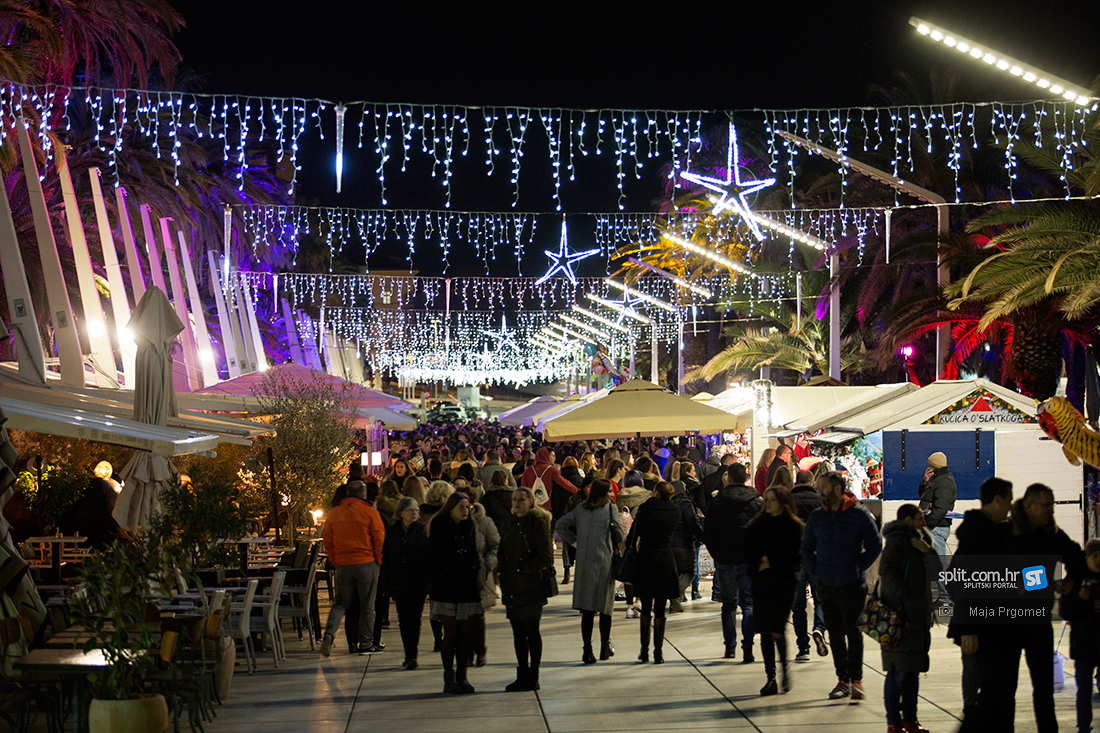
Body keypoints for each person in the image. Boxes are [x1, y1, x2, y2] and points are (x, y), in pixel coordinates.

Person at [1002, 483, 1084, 733]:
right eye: (1045, 505)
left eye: (1052, 505)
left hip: (1038, 618)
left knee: (1044, 687)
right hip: (1007, 620)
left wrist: (1072, 581)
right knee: (1005, 688)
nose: (1050, 509)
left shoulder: (1052, 534)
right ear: (1029, 505)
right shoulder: (1006, 532)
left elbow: (1077, 557)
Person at [801, 471, 882, 700]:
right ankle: (843, 679)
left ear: (838, 489)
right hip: (826, 584)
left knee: (854, 633)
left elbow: (875, 544)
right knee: (835, 635)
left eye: (824, 487)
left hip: (853, 585)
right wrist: (815, 569)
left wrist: (859, 566)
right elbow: (806, 547)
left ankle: (856, 679)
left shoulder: (858, 514)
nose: (820, 491)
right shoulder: (817, 516)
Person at [948, 477, 1013, 731]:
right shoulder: (978, 534)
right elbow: (960, 581)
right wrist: (968, 628)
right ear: (997, 500)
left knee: (986, 685)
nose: (1010, 506)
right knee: (983, 685)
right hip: (979, 627)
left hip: (990, 625)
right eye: (1008, 499)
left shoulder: (991, 531)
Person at [555, 478, 625, 664]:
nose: (612, 494)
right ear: (603, 493)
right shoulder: (610, 509)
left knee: (587, 609)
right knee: (605, 607)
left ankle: (587, 650)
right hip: (604, 562)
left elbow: (560, 524)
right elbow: (619, 536)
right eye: (609, 491)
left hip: (584, 562)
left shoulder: (580, 509)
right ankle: (604, 647)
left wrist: (575, 541)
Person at [879, 504, 935, 733]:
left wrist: (928, 552)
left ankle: (910, 720)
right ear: (909, 520)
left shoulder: (921, 542)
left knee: (912, 671)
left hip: (917, 617)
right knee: (898, 671)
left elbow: (937, 572)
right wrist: (904, 597)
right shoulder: (897, 542)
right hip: (900, 617)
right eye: (920, 517)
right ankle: (894, 722)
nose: (924, 521)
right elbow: (886, 570)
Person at [745, 486, 804, 695]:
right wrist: (763, 562)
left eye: (772, 500)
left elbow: (793, 557)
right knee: (765, 630)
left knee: (777, 628)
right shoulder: (757, 525)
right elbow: (750, 552)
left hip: (784, 583)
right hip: (762, 583)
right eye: (766, 500)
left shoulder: (794, 527)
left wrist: (768, 561)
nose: (768, 504)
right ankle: (770, 677)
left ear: (783, 502)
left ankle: (784, 671)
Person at [704, 463, 763, 661]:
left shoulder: (717, 502)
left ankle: (730, 647)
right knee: (748, 604)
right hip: (749, 559)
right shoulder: (756, 502)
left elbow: (708, 532)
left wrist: (716, 554)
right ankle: (748, 647)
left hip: (726, 559)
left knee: (729, 605)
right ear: (746, 478)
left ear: (729, 478)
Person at [320, 481, 386, 657]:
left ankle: (329, 633)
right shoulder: (370, 512)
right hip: (366, 562)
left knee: (340, 603)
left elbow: (327, 539)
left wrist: (335, 560)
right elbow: (379, 536)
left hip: (343, 563)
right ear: (364, 494)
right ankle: (365, 643)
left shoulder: (335, 513)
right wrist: (378, 560)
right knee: (367, 606)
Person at [498, 487, 554, 692]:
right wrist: (503, 572)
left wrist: (525, 570)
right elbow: (502, 550)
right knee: (518, 632)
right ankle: (522, 673)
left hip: (531, 585)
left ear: (530, 501)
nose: (516, 503)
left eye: (521, 499)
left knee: (531, 630)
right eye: (514, 499)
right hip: (512, 584)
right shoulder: (509, 523)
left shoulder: (537, 522)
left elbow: (545, 555)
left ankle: (533, 675)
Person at [426, 492, 481, 694]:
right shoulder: (439, 525)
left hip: (466, 586)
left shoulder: (469, 526)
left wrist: (475, 570)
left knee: (465, 634)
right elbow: (432, 555)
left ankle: (462, 675)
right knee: (450, 633)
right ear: (451, 508)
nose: (466, 511)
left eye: (468, 507)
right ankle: (448, 677)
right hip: (445, 587)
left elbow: (473, 552)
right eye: (461, 507)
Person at [631, 481, 681, 663]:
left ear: (657, 493)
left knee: (646, 606)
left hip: (646, 558)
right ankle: (658, 652)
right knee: (660, 607)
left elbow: (633, 535)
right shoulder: (675, 511)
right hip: (666, 558)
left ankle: (644, 650)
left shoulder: (645, 509)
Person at [382, 497, 429, 669]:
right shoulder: (392, 531)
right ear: (401, 513)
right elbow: (386, 556)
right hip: (399, 582)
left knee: (415, 618)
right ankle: (408, 653)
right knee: (403, 618)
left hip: (417, 582)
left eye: (416, 510)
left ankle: (412, 655)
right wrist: (387, 579)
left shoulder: (421, 531)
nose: (415, 513)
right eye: (411, 510)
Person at [1061, 539, 1100, 733]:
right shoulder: (1075, 580)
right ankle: (1084, 726)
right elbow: (1065, 611)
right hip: (1084, 644)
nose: (1098, 560)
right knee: (1084, 690)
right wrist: (1081, 599)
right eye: (1095, 556)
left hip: (1091, 642)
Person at [789, 469, 826, 662]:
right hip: (817, 556)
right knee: (820, 599)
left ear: (796, 482)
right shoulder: (820, 502)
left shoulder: (788, 502)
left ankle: (803, 647)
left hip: (794, 558)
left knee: (798, 606)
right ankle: (819, 627)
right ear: (812, 483)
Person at [917, 451, 956, 605]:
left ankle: (946, 598)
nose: (928, 467)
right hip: (934, 527)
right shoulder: (937, 480)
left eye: (930, 465)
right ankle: (943, 597)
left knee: (940, 564)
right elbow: (925, 498)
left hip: (937, 528)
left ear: (935, 466)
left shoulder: (944, 482)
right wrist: (925, 481)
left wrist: (929, 523)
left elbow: (941, 509)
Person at [669, 470, 704, 612]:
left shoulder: (668, 504)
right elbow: (692, 523)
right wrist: (701, 536)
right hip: (684, 544)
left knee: (675, 572)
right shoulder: (686, 504)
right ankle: (676, 594)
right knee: (690, 571)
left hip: (670, 545)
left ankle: (675, 600)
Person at [522, 447, 579, 513]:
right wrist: (577, 491)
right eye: (553, 456)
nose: (555, 458)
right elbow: (564, 483)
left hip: (531, 506)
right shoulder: (552, 470)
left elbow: (523, 489)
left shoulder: (528, 470)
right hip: (545, 507)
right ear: (546, 456)